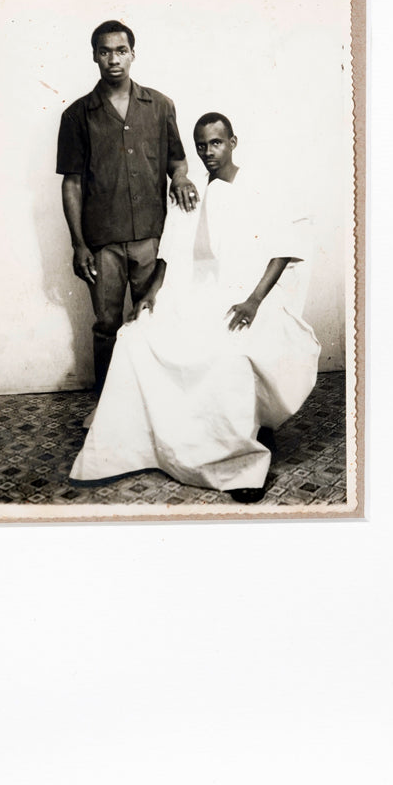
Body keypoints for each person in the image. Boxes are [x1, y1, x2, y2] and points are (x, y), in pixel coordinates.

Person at [69, 112, 321, 503]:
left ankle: (237, 454)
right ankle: (150, 445)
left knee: (228, 355)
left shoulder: (260, 186)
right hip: (199, 292)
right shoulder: (193, 190)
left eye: (216, 143)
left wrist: (254, 301)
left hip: (249, 294)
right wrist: (152, 291)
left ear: (233, 142)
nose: (208, 152)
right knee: (135, 338)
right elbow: (171, 252)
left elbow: (282, 251)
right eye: (201, 145)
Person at [56, 20, 198, 403]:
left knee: (153, 317)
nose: (113, 59)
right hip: (102, 241)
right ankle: (107, 406)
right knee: (107, 325)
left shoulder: (160, 105)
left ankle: (154, 403)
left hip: (152, 236)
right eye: (105, 52)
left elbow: (177, 161)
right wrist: (79, 245)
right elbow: (72, 183)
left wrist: (181, 179)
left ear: (133, 54)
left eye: (121, 51)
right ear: (94, 57)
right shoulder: (77, 116)